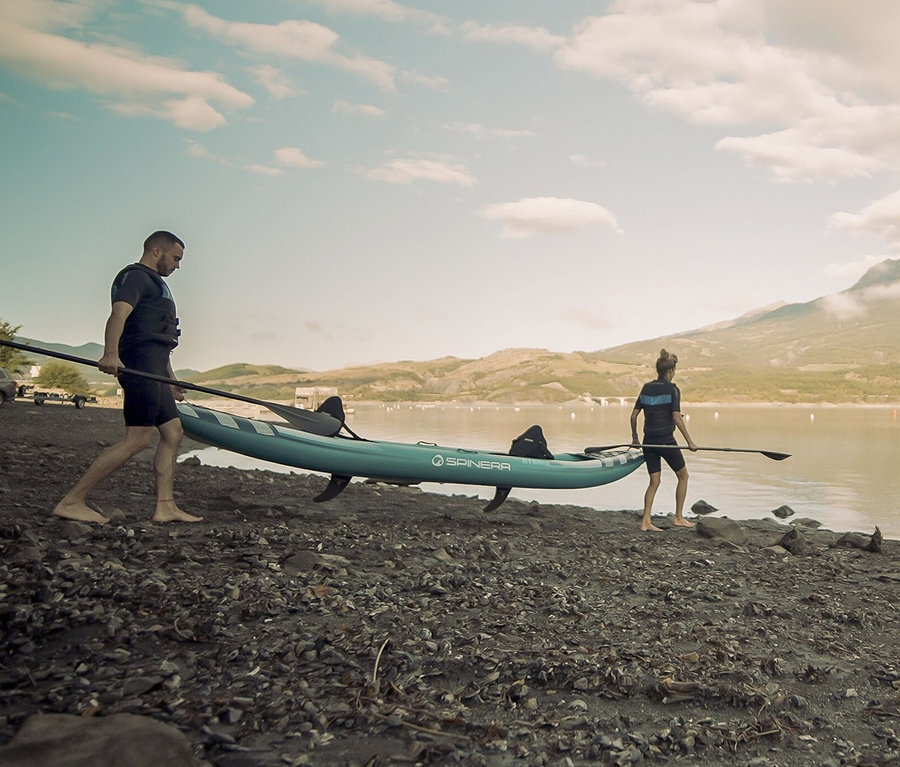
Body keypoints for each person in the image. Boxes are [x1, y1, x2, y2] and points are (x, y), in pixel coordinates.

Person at [53, 231, 202, 525]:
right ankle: (72, 501)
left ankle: (165, 506)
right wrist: (111, 353)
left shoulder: (157, 284)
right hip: (139, 367)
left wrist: (171, 380)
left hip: (155, 370)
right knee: (137, 439)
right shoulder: (134, 277)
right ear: (157, 250)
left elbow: (158, 340)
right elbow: (118, 315)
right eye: (175, 258)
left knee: (173, 432)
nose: (177, 265)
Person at [629, 349, 697, 532]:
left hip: (648, 441)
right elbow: (676, 416)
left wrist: (635, 437)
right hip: (666, 441)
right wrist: (690, 442)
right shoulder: (673, 389)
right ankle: (678, 517)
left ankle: (645, 521)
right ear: (670, 371)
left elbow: (634, 416)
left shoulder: (646, 388)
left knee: (654, 481)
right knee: (683, 476)